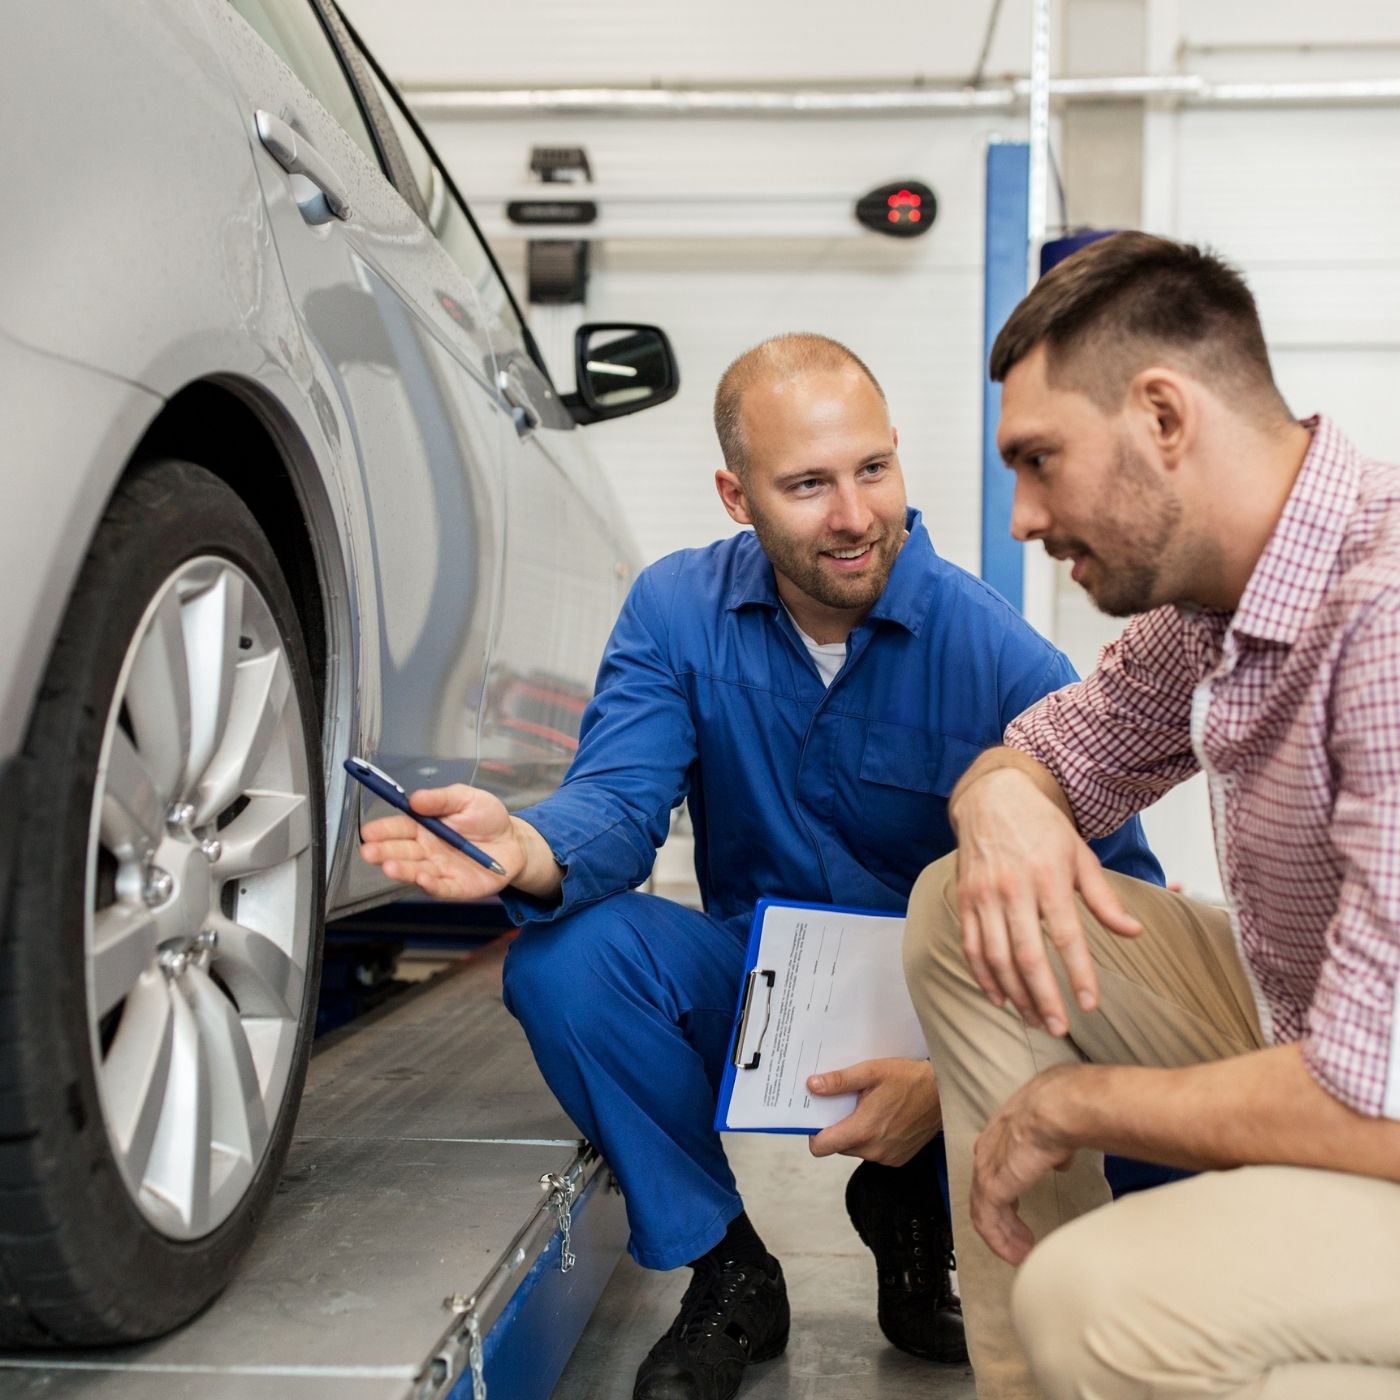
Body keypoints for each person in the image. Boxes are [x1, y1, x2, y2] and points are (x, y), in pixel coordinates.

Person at [359, 333, 1161, 1400]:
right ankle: (727, 1264)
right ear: (737, 495)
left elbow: (1120, 909)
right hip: (761, 982)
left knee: (1113, 1061)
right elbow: (620, 797)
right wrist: (532, 845)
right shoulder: (674, 611)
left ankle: (913, 1210)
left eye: (872, 468)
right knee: (567, 961)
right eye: (807, 484)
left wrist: (950, 1077)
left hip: (944, 1016)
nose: (853, 514)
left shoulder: (996, 652)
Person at [904, 231, 1400, 1399]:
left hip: (1378, 1102)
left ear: (1162, 418)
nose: (1019, 516)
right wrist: (1001, 803)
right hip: (1323, 1037)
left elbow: (1376, 1106)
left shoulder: (1379, 621)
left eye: (1038, 460)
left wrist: (1072, 1101)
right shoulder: (1226, 592)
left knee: (1109, 1302)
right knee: (957, 910)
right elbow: (1046, 751)